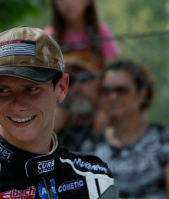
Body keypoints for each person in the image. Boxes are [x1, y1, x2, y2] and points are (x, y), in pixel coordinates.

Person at [0, 26, 118, 199]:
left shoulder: (96, 179)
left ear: (61, 88)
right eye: (3, 91)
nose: (17, 105)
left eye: (31, 89)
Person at [89, 59, 169, 199]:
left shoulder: (164, 139)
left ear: (142, 94)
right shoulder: (93, 145)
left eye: (121, 90)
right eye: (106, 91)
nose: (112, 97)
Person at [44, 0, 119, 152]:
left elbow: (113, 72)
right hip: (64, 100)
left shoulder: (101, 33)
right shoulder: (50, 37)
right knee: (50, 127)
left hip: (96, 100)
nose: (67, 3)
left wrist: (104, 109)